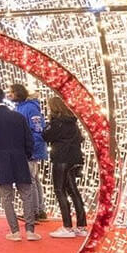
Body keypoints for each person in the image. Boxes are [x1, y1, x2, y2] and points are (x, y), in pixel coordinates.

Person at [0, 86, 40, 241]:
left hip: (1, 160)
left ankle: (14, 232)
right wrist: (25, 154)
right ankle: (30, 230)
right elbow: (29, 139)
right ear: (4, 97)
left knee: (7, 196)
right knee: (26, 194)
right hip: (20, 158)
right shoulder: (18, 117)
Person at [43, 95, 88, 238]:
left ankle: (67, 226)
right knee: (73, 191)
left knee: (59, 190)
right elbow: (80, 138)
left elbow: (46, 136)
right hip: (74, 158)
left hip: (61, 158)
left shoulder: (57, 123)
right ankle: (81, 226)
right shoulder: (73, 122)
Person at [8, 83, 48, 221]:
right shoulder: (21, 107)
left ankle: (33, 212)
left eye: (11, 92)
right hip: (28, 148)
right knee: (34, 179)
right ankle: (39, 210)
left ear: (18, 93)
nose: (9, 94)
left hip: (30, 149)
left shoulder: (29, 108)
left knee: (30, 180)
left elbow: (37, 129)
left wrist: (30, 149)